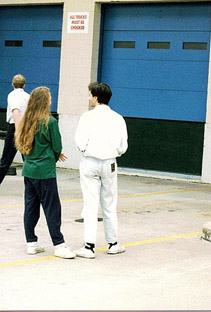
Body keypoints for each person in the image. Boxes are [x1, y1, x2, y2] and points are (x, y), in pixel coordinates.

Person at [14, 86, 75, 259]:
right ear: (45, 101)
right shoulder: (50, 122)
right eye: (49, 98)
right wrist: (51, 158)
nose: (51, 100)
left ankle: (31, 242)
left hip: (29, 171)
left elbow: (23, 147)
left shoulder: (25, 120)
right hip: (45, 172)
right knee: (52, 208)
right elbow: (57, 146)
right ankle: (59, 244)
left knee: (30, 207)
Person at [74, 82, 128, 258]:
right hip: (109, 163)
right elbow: (123, 147)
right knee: (109, 204)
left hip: (90, 162)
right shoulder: (118, 118)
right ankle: (113, 243)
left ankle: (89, 246)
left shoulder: (87, 117)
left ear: (96, 97)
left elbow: (80, 142)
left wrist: (87, 150)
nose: (88, 97)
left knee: (90, 205)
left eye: (90, 94)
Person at [0, 74, 30, 185]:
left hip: (15, 127)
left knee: (6, 160)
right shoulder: (28, 96)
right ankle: (31, 187)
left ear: (12, 84)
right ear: (24, 85)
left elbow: (15, 110)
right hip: (26, 127)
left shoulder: (12, 95)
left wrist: (18, 131)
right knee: (27, 160)